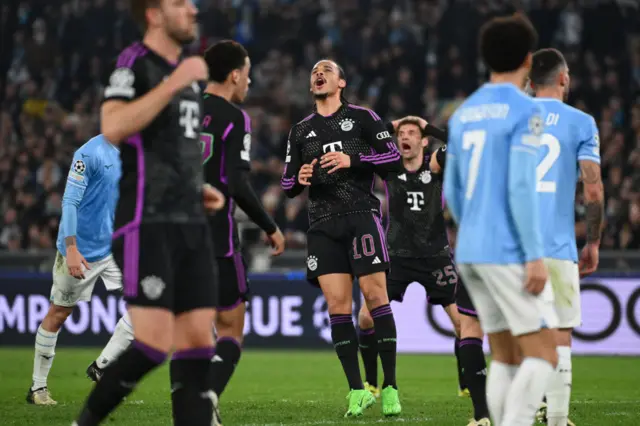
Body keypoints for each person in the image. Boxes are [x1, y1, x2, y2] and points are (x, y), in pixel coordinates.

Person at [72, 0, 225, 425]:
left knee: (198, 346)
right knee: (153, 345)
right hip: (147, 222)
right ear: (155, 14)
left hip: (191, 222)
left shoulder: (190, 75)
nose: (193, 10)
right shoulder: (135, 63)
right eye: (180, 3)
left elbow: (175, 149)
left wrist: (198, 190)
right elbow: (114, 126)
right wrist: (174, 82)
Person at [443, 14, 558, 426]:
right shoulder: (526, 110)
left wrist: (473, 228)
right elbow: (521, 187)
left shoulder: (463, 113)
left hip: (469, 251)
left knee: (506, 357)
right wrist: (533, 255)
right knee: (544, 354)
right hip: (505, 249)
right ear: (528, 59)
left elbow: (451, 193)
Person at [280, 59, 403, 418]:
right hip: (322, 224)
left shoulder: (363, 117)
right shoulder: (300, 131)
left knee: (376, 296)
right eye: (314, 72)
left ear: (342, 82)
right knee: (337, 306)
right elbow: (288, 184)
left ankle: (391, 386)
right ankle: (356, 391)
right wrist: (299, 176)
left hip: (361, 218)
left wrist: (353, 160)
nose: (318, 74)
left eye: (326, 70)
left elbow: (393, 159)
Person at [357, 116, 490, 426]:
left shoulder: (435, 166)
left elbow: (460, 148)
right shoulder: (390, 165)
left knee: (463, 325)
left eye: (411, 133)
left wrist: (429, 126)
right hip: (397, 257)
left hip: (436, 256)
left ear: (423, 141)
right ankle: (371, 383)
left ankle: (465, 384)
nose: (405, 137)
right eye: (401, 133)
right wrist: (388, 128)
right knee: (365, 318)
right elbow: (363, 147)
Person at [201, 40, 285, 398]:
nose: (249, 83)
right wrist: (269, 225)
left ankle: (187, 408)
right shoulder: (235, 118)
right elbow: (236, 183)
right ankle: (206, 404)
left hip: (173, 232)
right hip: (216, 234)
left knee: (191, 332)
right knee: (231, 329)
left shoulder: (178, 110)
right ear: (235, 75)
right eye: (248, 75)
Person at [26, 134, 134, 406]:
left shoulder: (134, 151)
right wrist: (72, 248)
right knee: (60, 312)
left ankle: (102, 368)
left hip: (113, 247)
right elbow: (70, 202)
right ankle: (37, 388)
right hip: (80, 249)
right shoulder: (89, 154)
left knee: (148, 303)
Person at [529, 48, 604, 426]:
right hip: (557, 247)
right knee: (559, 333)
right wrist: (592, 242)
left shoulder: (512, 120)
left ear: (529, 82)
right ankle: (557, 418)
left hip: (510, 249)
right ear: (563, 78)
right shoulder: (582, 122)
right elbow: (592, 189)